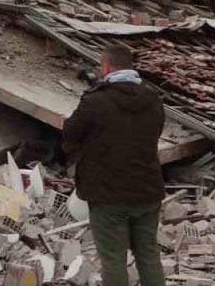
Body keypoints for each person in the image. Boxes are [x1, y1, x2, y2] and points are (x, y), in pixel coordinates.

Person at [63, 44, 166, 286]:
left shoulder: (95, 101)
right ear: (131, 67)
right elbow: (155, 133)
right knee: (149, 255)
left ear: (106, 67)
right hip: (148, 192)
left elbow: (70, 135)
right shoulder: (153, 98)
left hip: (108, 196)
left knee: (114, 260)